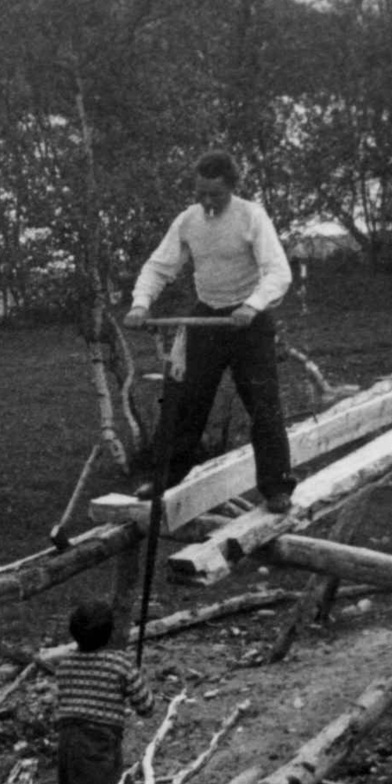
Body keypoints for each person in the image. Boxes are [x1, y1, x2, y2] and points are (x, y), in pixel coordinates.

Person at [124, 149, 297, 513]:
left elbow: (279, 272)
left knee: (264, 407)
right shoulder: (189, 221)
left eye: (214, 194)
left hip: (249, 321)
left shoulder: (252, 216)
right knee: (184, 402)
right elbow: (158, 267)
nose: (206, 201)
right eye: (200, 193)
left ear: (232, 188)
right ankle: (164, 478)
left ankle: (277, 487)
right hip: (208, 319)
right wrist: (141, 303)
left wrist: (252, 305)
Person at [56, 600, 154, 784]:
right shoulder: (120, 665)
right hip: (99, 741)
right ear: (109, 633)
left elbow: (63, 703)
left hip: (67, 740)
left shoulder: (65, 665)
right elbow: (147, 708)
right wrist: (138, 680)